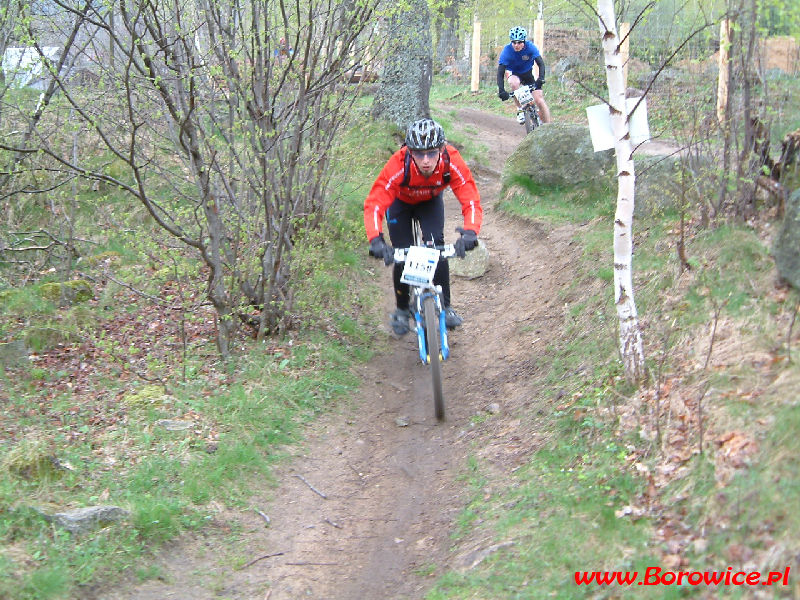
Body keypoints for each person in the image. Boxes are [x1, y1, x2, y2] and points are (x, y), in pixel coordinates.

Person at [365, 118, 483, 336]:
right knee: (402, 252)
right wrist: (375, 239)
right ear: (410, 152)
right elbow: (375, 203)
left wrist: (470, 232)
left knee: (436, 248)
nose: (426, 160)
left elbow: (470, 199)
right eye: (419, 154)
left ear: (441, 149)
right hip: (400, 204)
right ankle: (401, 309)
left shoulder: (451, 160)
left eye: (431, 153)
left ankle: (446, 307)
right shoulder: (398, 164)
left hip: (430, 202)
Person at [497, 26, 551, 125]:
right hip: (514, 73)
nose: (516, 45)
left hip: (528, 74)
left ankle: (548, 126)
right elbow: (500, 72)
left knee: (539, 100)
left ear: (524, 42)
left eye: (519, 42)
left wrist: (541, 78)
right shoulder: (507, 51)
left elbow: (540, 63)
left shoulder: (530, 47)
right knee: (514, 83)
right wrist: (501, 90)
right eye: (514, 42)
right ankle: (520, 110)